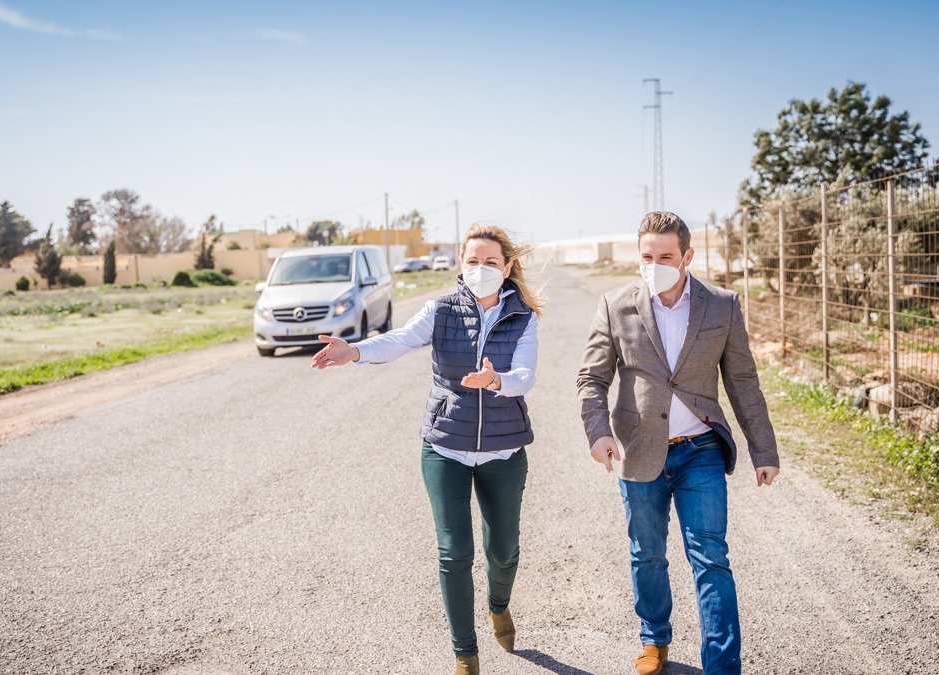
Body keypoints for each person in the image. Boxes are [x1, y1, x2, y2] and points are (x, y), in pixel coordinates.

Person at [312, 222, 544, 675]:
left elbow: (526, 376)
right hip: (445, 446)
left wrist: (497, 380)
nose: (481, 269)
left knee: (504, 550)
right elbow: (398, 339)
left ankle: (499, 604)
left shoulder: (525, 316)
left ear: (508, 267)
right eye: (472, 261)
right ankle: (465, 654)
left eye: (491, 262)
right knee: (454, 551)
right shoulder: (441, 310)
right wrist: (355, 351)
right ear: (461, 264)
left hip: (503, 450)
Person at [576, 212, 780, 675]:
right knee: (646, 554)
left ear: (687, 256)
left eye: (665, 256)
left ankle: (723, 666)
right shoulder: (615, 304)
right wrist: (599, 430)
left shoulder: (721, 305)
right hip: (638, 450)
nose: (654, 265)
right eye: (646, 256)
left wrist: (763, 451)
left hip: (700, 450)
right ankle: (654, 640)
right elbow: (591, 378)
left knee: (711, 557)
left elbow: (744, 382)